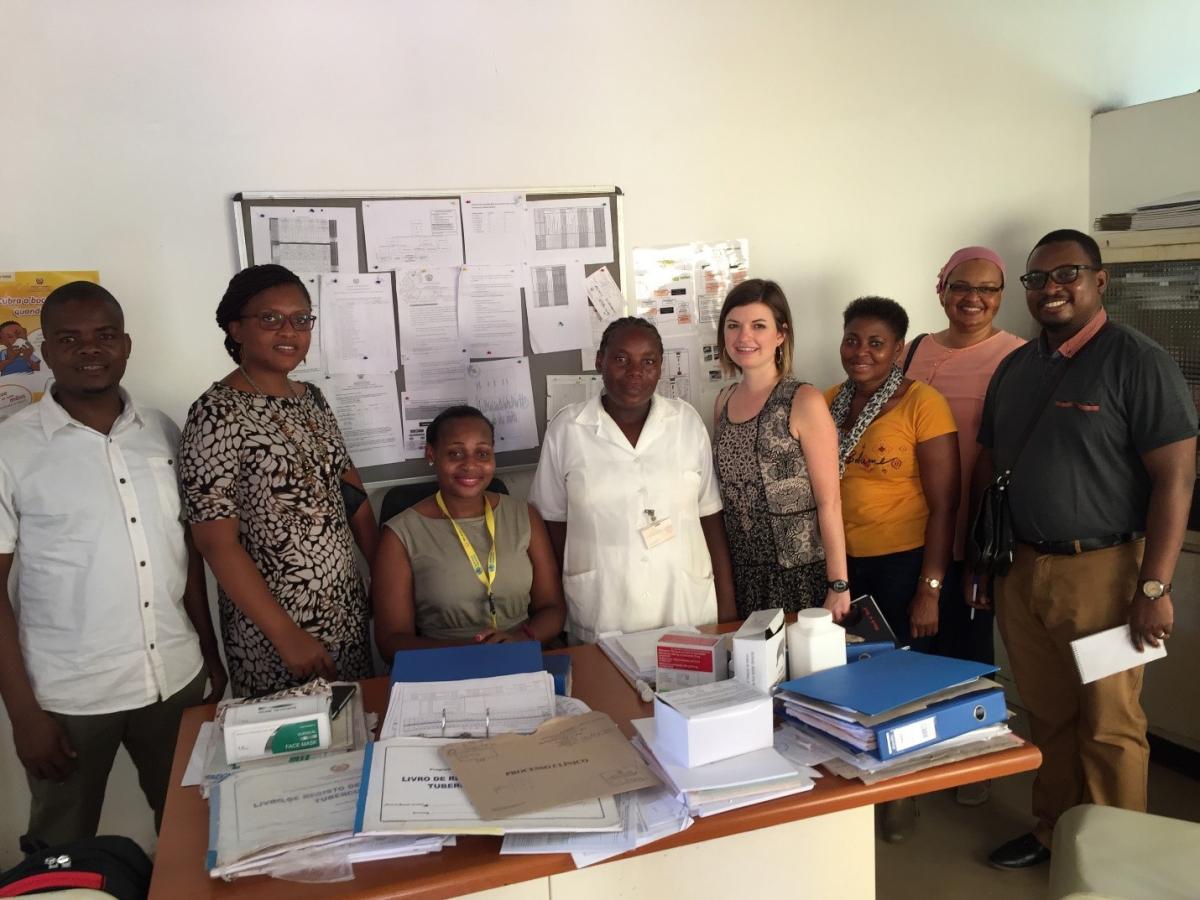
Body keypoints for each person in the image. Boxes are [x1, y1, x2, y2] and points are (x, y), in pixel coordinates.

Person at [971, 230, 1196, 870]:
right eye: (1038, 279)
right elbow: (991, 466)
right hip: (1022, 570)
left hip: (1104, 576)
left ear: (1101, 280)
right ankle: (1056, 834)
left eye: (1067, 274)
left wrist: (1154, 588)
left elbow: (1175, 479)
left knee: (1109, 724)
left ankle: (1120, 864)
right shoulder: (1017, 368)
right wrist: (985, 566)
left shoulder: (1138, 360)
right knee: (1049, 715)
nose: (1051, 289)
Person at [0, 282, 225, 852]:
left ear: (126, 343)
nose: (89, 349)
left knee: (191, 830)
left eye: (104, 335)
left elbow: (187, 555)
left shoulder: (163, 431)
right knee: (58, 848)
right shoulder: (11, 449)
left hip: (174, 679)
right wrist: (24, 715)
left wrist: (209, 653)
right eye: (69, 338)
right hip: (70, 696)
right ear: (45, 349)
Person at [180, 264, 379, 697]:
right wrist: (285, 635)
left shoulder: (312, 399)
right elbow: (215, 541)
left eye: (301, 319)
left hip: (343, 610)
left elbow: (349, 492)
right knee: (290, 750)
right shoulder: (216, 413)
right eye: (270, 318)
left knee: (353, 736)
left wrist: (382, 572)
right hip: (274, 628)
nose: (288, 330)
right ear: (236, 328)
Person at [825, 296, 960, 844]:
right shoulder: (831, 401)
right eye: (852, 339)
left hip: (903, 566)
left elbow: (946, 504)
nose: (861, 352)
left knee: (902, 686)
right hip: (844, 568)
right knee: (851, 680)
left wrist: (930, 589)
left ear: (900, 349)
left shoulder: (923, 404)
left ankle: (902, 793)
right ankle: (862, 784)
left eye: (876, 342)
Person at [529, 317, 736, 643]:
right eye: (621, 359)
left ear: (660, 367)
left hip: (685, 604)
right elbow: (552, 525)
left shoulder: (686, 423)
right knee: (607, 692)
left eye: (648, 361)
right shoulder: (567, 429)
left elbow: (709, 515)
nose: (635, 371)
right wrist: (558, 605)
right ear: (601, 361)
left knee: (691, 690)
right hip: (604, 607)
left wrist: (727, 608)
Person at [905, 249, 1026, 662]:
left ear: (1001, 295)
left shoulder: (1018, 358)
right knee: (909, 660)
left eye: (987, 289)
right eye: (961, 286)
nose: (974, 297)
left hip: (974, 535)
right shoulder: (911, 350)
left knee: (964, 664)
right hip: (911, 532)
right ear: (942, 291)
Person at [373, 405, 567, 661]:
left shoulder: (525, 516)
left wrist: (520, 640)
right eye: (455, 453)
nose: (470, 465)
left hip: (522, 654)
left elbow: (553, 609)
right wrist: (473, 652)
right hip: (444, 666)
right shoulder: (400, 534)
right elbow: (391, 641)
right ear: (431, 454)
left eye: (482, 453)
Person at [712, 279, 849, 619]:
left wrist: (839, 584)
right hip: (743, 576)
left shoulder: (803, 400)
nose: (744, 337)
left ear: (780, 335)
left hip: (799, 576)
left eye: (758, 325)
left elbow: (829, 501)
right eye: (734, 326)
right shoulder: (723, 401)